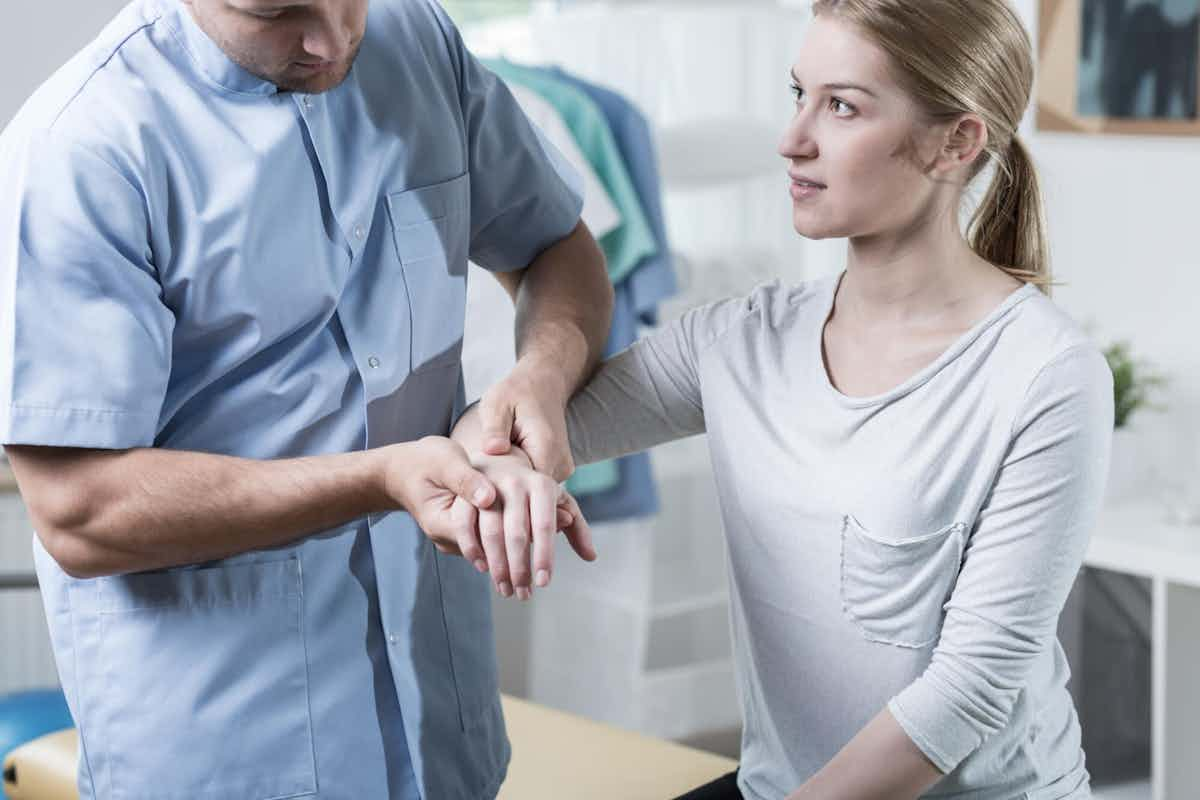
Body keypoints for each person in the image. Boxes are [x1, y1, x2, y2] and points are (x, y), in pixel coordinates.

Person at [451, 0, 1114, 797]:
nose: (792, 139)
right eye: (797, 94)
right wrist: (518, 461)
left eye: (841, 106)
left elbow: (965, 692)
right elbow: (503, 435)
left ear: (957, 142)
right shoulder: (739, 340)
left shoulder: (1047, 373)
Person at [0, 0, 610, 797]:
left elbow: (554, 245)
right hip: (232, 752)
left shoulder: (418, 37)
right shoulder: (81, 147)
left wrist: (543, 370)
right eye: (277, 13)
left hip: (442, 732)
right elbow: (77, 509)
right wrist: (379, 478)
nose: (331, 40)